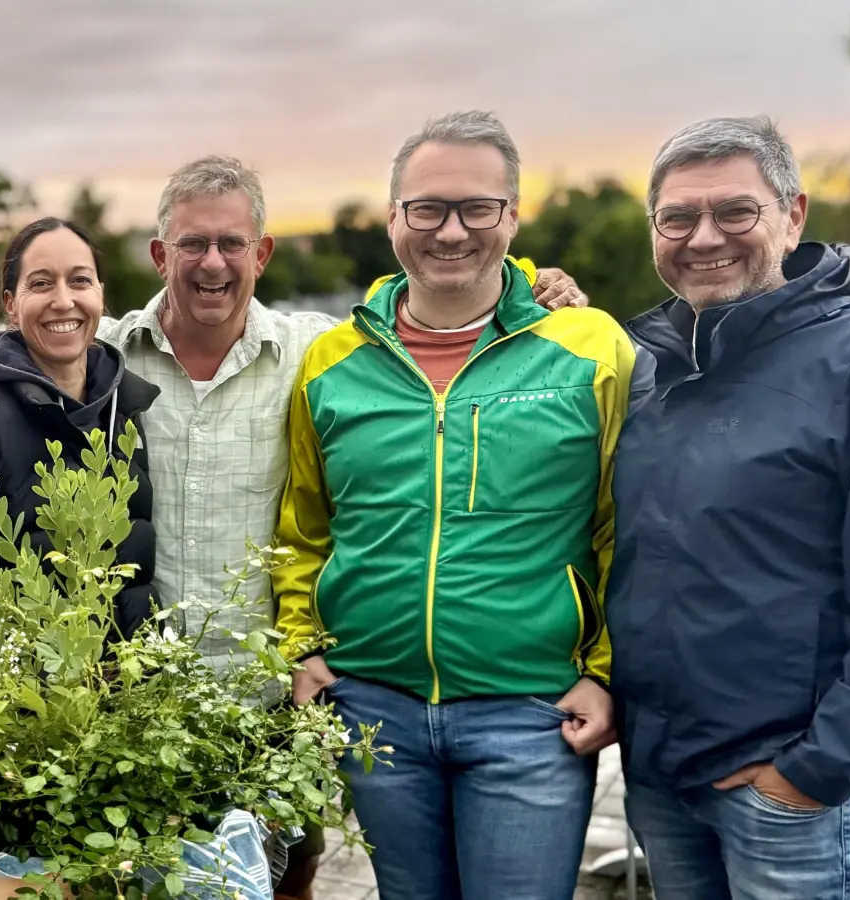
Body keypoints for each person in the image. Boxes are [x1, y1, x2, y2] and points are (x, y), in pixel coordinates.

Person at [97, 154, 591, 899]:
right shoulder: (103, 358)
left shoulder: (317, 352)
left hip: (276, 705)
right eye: (192, 244)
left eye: (233, 244)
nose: (212, 262)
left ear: (262, 254)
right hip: (142, 709)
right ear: (160, 255)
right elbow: (31, 338)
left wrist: (537, 288)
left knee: (289, 877)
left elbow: (436, 299)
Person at [273, 111, 635, 900]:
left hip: (533, 717)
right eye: (428, 208)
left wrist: (607, 673)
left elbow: (624, 529)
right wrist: (303, 647)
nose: (451, 231)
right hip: (374, 713)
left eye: (477, 208)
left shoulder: (589, 348)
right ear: (394, 216)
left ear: (512, 215)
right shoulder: (331, 363)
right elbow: (304, 527)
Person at [608, 116, 850, 900]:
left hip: (792, 793)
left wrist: (818, 770)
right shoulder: (653, 367)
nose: (703, 237)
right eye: (678, 217)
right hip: (663, 778)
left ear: (793, 216)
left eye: (735, 212)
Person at [0, 217, 159, 639]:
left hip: (130, 693)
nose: (64, 300)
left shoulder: (123, 406)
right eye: (42, 283)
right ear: (11, 303)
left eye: (80, 280)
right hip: (25, 702)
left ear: (101, 294)